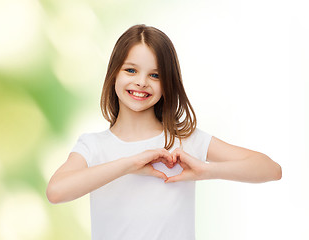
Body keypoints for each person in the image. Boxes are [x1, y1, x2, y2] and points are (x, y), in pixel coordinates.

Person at [46, 24, 282, 240]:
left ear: (168, 83)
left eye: (155, 75)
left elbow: (271, 169)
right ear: (114, 74)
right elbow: (56, 191)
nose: (141, 82)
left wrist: (205, 171)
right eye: (131, 70)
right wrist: (129, 164)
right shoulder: (93, 145)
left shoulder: (185, 140)